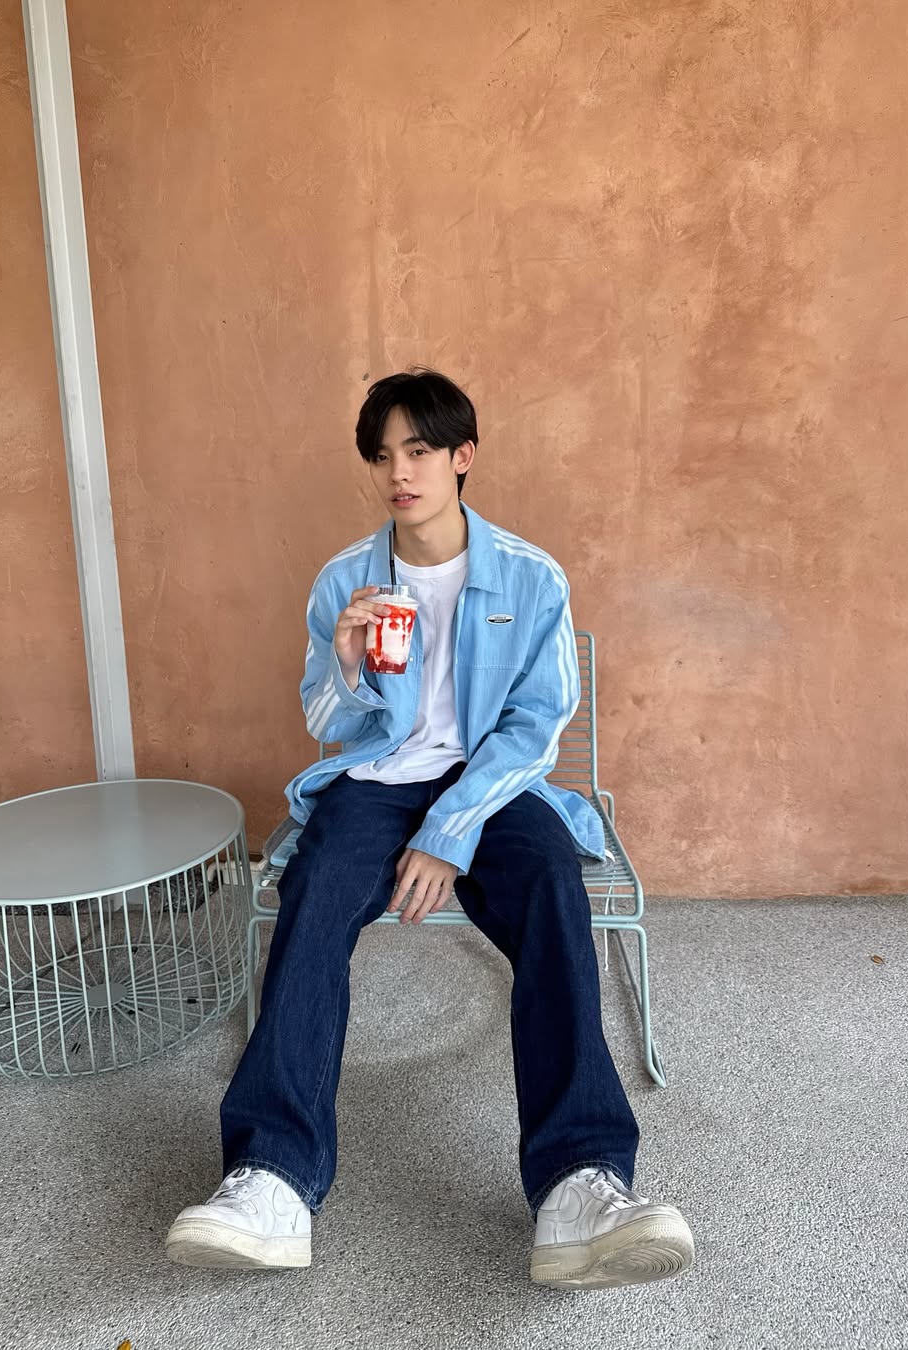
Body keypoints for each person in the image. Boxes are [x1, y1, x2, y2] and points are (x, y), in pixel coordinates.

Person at [166, 369, 694, 1288]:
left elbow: (537, 725)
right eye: (383, 456)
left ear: (462, 457)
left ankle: (581, 1180)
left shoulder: (530, 577)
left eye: (418, 451)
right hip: (379, 779)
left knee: (552, 890)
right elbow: (326, 718)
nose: (398, 473)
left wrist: (450, 829)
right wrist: (345, 664)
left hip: (492, 786)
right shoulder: (345, 578)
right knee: (316, 890)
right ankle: (272, 1176)